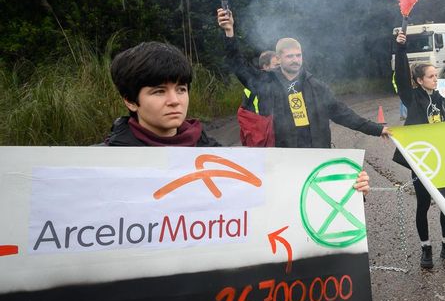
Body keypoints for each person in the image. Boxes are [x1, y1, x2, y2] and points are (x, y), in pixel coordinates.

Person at [103, 41, 370, 193]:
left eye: (181, 89)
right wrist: (228, 36)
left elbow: (257, 188)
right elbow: (239, 67)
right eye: (159, 92)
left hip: (308, 161)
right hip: (278, 151)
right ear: (130, 100)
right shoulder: (104, 164)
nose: (174, 100)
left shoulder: (210, 150)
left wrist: (347, 185)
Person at [217, 9, 390, 148]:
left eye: (298, 55)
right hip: (281, 160)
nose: (295, 60)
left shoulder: (316, 86)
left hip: (316, 158)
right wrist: (229, 33)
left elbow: (343, 114)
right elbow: (238, 65)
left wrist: (377, 129)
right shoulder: (266, 82)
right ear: (278, 58)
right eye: (290, 56)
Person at [394, 31, 445, 269]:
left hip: (444, 161)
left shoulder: (443, 99)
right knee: (423, 205)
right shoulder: (412, 98)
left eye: (435, 75)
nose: (435, 79)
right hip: (422, 162)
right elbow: (400, 72)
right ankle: (426, 248)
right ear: (419, 81)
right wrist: (400, 49)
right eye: (430, 76)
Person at [241, 50, 278, 114]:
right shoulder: (257, 81)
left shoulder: (279, 79)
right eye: (276, 65)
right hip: (260, 120)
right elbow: (238, 61)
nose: (279, 67)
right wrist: (230, 41)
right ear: (266, 66)